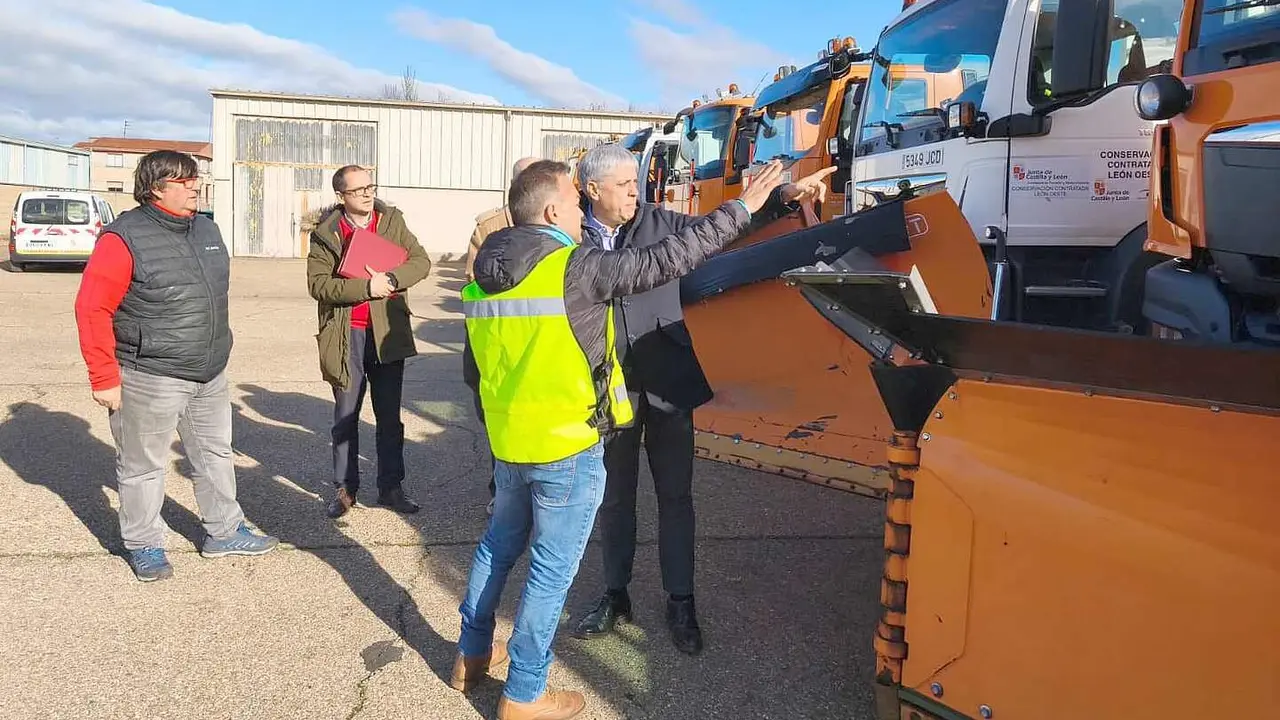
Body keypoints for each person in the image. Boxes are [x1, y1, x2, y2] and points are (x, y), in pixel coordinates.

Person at [451, 158, 786, 720]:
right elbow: (668, 261)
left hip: (514, 440)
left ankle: (471, 654)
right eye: (576, 201)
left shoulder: (489, 268)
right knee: (551, 569)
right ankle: (526, 692)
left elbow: (474, 368)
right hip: (570, 439)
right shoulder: (573, 265)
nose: (583, 210)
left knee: (498, 547)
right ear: (556, 207)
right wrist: (743, 205)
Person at [570, 143, 836, 655]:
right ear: (592, 189)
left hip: (669, 379)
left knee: (676, 497)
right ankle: (615, 594)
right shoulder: (572, 235)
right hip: (609, 386)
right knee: (616, 497)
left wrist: (781, 197)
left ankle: (680, 602)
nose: (635, 191)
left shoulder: (659, 223)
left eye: (637, 181)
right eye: (625, 184)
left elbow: (724, 229)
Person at [73, 149, 279, 582]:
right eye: (183, 180)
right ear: (154, 188)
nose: (194, 185)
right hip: (148, 374)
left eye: (194, 177)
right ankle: (144, 544)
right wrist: (104, 378)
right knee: (142, 465)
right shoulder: (122, 238)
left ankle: (223, 532)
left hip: (209, 370)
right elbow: (92, 309)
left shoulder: (206, 228)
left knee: (216, 454)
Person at [306, 165, 433, 519]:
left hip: (387, 333)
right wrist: (365, 288)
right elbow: (318, 285)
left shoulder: (391, 221)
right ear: (341, 196)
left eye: (370, 186)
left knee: (389, 416)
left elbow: (421, 261)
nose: (366, 193)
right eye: (357, 189)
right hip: (347, 336)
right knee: (346, 416)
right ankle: (345, 490)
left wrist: (391, 278)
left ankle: (392, 487)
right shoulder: (327, 233)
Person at [465, 156, 540, 515]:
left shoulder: (568, 223)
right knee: (501, 427)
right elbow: (475, 284)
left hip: (543, 346)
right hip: (500, 347)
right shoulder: (490, 226)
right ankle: (503, 492)